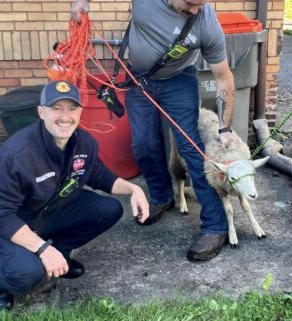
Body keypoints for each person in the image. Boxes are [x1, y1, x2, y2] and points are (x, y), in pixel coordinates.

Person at [71, 0, 237, 261]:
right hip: (139, 79)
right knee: (143, 145)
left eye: (201, 5)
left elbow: (223, 77)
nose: (197, 10)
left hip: (180, 81)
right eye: (191, 4)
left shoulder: (206, 22)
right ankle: (162, 197)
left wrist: (224, 126)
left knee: (191, 150)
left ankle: (215, 227)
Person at [0, 80, 149, 309]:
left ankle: (60, 254)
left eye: (71, 108)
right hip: (10, 225)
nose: (64, 116)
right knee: (28, 274)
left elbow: (101, 177)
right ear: (41, 112)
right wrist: (42, 249)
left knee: (109, 209)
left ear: (79, 111)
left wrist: (134, 189)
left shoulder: (84, 143)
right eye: (56, 108)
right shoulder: (15, 156)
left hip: (50, 209)